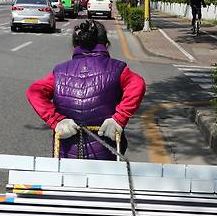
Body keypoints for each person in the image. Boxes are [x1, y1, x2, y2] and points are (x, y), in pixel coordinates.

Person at [26, 20, 146, 160]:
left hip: (66, 154)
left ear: (74, 47)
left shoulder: (59, 72)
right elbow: (138, 84)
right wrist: (118, 119)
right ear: (106, 45)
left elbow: (34, 91)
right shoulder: (118, 69)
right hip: (107, 154)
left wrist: (56, 121)